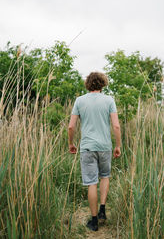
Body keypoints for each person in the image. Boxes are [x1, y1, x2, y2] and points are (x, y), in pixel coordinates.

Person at [68, 72, 121, 231]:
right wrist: (118, 145)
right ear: (103, 84)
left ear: (88, 84)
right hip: (105, 146)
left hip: (87, 148)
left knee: (92, 182)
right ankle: (102, 210)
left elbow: (71, 126)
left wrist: (71, 143)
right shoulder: (109, 100)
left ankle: (93, 221)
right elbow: (116, 125)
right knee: (105, 177)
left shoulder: (80, 100)